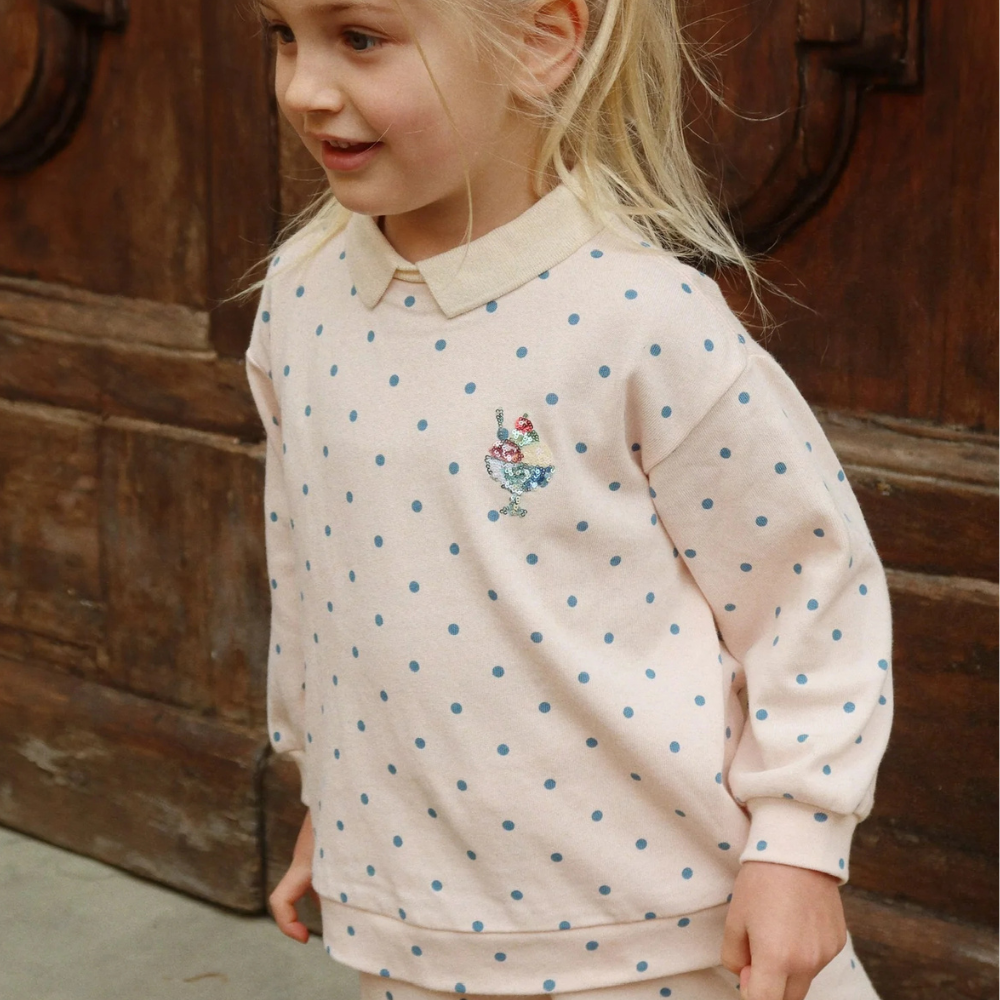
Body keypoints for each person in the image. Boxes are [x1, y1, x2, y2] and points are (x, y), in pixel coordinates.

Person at [243, 0, 893, 998]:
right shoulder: (300, 298)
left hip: (677, 936)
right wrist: (333, 807)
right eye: (282, 35)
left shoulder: (640, 319)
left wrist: (800, 843)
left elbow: (808, 590)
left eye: (359, 38)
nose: (304, 87)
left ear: (541, 42)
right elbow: (317, 589)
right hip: (416, 932)